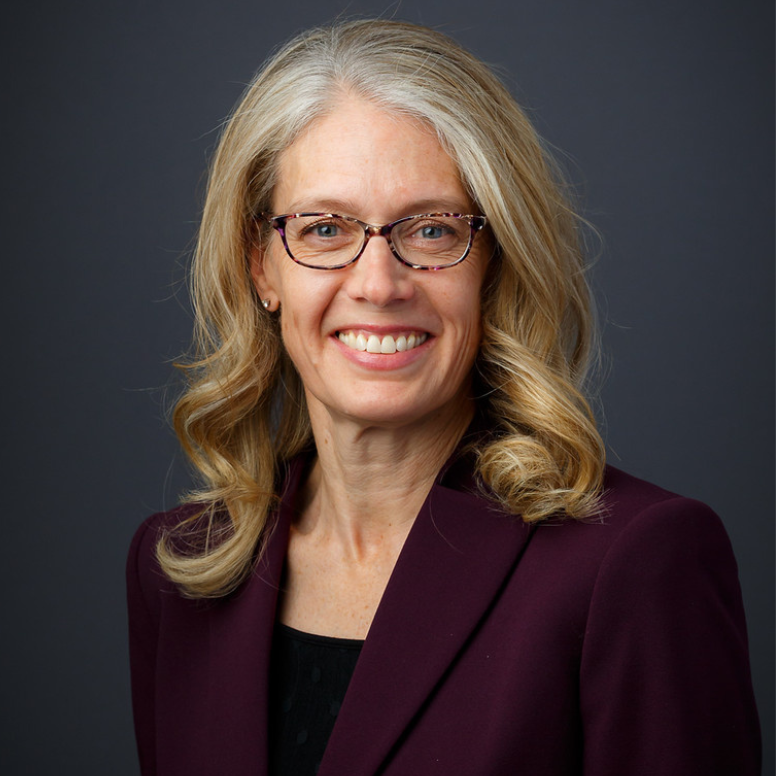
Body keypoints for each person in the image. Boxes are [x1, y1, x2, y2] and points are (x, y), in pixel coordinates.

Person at [126, 19, 760, 776]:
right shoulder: (181, 568)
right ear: (261, 266)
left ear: (496, 263)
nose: (378, 284)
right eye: (324, 229)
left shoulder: (634, 563)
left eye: (432, 231)